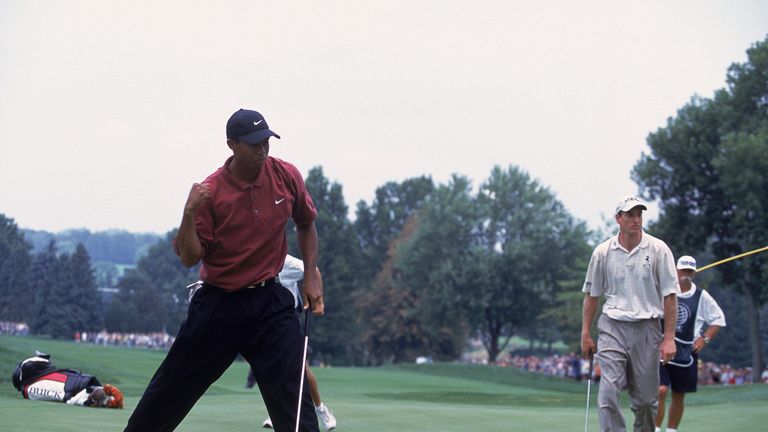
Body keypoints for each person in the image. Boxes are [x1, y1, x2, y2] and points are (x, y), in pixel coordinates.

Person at [124, 108, 324, 432]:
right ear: (232, 144)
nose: (262, 149)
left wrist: (311, 274)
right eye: (253, 143)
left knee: (295, 400)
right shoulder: (211, 192)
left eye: (266, 141)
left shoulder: (285, 175)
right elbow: (190, 257)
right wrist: (189, 213)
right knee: (170, 392)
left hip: (270, 302)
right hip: (220, 306)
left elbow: (306, 222)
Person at [581, 196, 680, 432]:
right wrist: (585, 332)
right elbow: (592, 295)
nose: (636, 220)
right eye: (630, 215)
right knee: (608, 394)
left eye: (639, 214)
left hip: (648, 328)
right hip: (612, 326)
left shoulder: (658, 249)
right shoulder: (602, 252)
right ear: (618, 219)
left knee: (646, 401)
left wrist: (669, 337)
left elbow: (670, 296)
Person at [252, 254, 337, 431]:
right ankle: (278, 413)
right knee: (273, 371)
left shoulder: (284, 261)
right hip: (264, 322)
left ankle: (321, 410)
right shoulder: (253, 258)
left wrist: (319, 302)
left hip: (287, 322)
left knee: (301, 370)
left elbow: (314, 271)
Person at [655, 255, 726, 432]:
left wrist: (705, 338)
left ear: (694, 273)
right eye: (683, 270)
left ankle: (671, 430)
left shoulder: (702, 296)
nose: (686, 274)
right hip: (662, 349)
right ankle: (655, 428)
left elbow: (718, 318)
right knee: (661, 390)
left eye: (689, 271)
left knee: (679, 393)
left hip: (687, 351)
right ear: (676, 271)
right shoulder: (665, 291)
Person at [12, 351, 124, 409]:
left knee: (103, 394)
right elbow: (62, 396)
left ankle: (102, 398)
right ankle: (102, 399)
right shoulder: (30, 389)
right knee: (101, 395)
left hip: (80, 386)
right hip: (78, 389)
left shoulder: (32, 384)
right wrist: (87, 399)